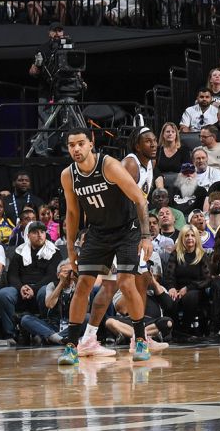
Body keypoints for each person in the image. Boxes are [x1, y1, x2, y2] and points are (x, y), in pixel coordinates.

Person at [56, 128, 153, 365]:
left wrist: (146, 236)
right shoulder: (68, 175)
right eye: (71, 145)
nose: (76, 149)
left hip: (126, 230)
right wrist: (70, 248)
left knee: (125, 282)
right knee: (83, 285)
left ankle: (140, 339)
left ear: (91, 144)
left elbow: (140, 198)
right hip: (98, 233)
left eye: (80, 143)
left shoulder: (108, 165)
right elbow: (72, 212)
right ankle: (72, 346)